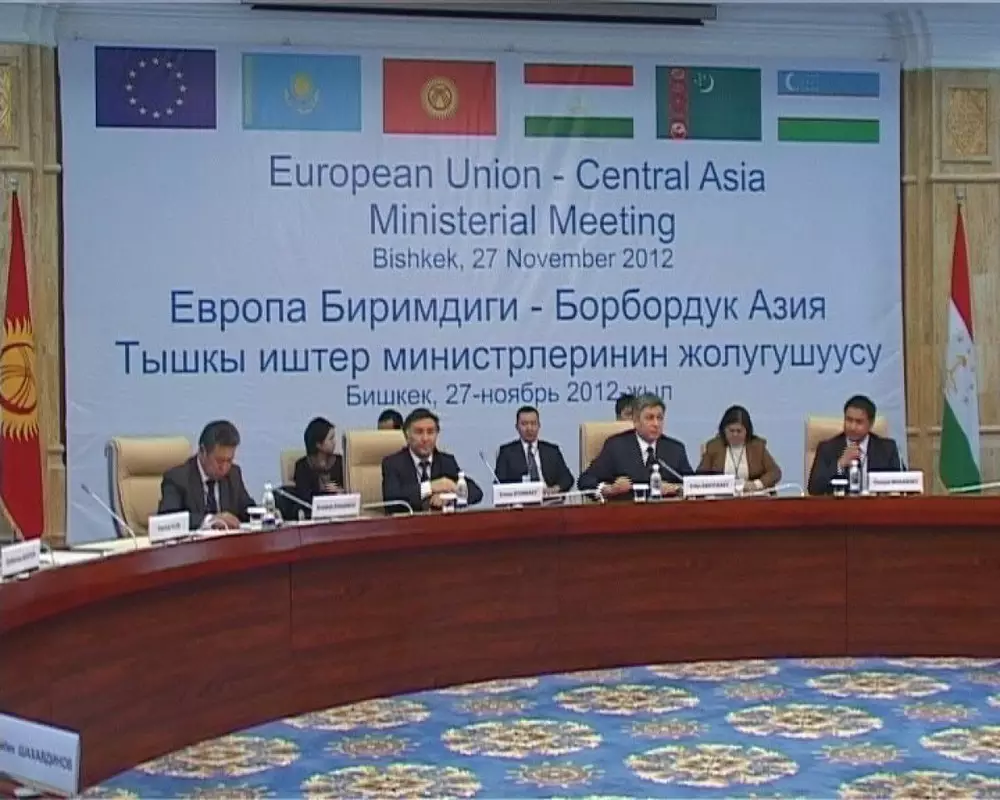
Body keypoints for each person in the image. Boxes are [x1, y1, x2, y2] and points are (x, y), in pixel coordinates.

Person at [579, 393, 693, 501]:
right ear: (636, 421)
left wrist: (677, 489)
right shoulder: (616, 447)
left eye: (660, 418)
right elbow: (585, 481)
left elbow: (694, 485)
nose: (656, 424)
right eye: (649, 418)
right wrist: (610, 489)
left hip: (667, 513)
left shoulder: (675, 449)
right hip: (626, 512)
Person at [158, 420, 255, 530]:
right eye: (219, 461)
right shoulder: (178, 478)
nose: (224, 467)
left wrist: (263, 515)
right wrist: (210, 521)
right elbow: (167, 520)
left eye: (229, 460)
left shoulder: (233, 474)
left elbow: (248, 509)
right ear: (202, 452)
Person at [381, 408, 483, 511]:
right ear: (407, 435)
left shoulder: (446, 461)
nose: (425, 438)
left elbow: (476, 492)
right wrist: (430, 487)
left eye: (430, 432)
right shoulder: (393, 463)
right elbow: (391, 500)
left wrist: (449, 497)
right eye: (419, 432)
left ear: (436, 435)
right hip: (408, 520)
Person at [808, 394, 902, 495]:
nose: (852, 427)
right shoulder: (827, 448)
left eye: (859, 422)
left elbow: (898, 486)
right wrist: (840, 464)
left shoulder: (887, 449)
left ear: (871, 424)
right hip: (841, 504)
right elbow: (814, 488)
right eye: (849, 420)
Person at [697, 405, 782, 492]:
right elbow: (700, 476)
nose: (735, 434)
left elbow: (775, 472)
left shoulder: (757, 446)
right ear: (724, 430)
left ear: (747, 431)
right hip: (722, 496)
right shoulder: (713, 446)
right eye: (731, 431)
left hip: (753, 496)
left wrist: (756, 484)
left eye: (739, 431)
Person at [494, 405, 574, 493]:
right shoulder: (506, 452)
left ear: (539, 426)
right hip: (520, 499)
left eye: (533, 423)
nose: (529, 428)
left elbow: (568, 478)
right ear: (517, 427)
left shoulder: (552, 451)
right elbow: (499, 483)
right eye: (524, 424)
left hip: (549, 498)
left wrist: (554, 489)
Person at [293, 417, 345, 504]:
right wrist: (328, 494)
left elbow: (349, 491)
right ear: (319, 445)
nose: (334, 442)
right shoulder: (302, 466)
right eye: (331, 438)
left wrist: (340, 491)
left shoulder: (340, 462)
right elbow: (303, 498)